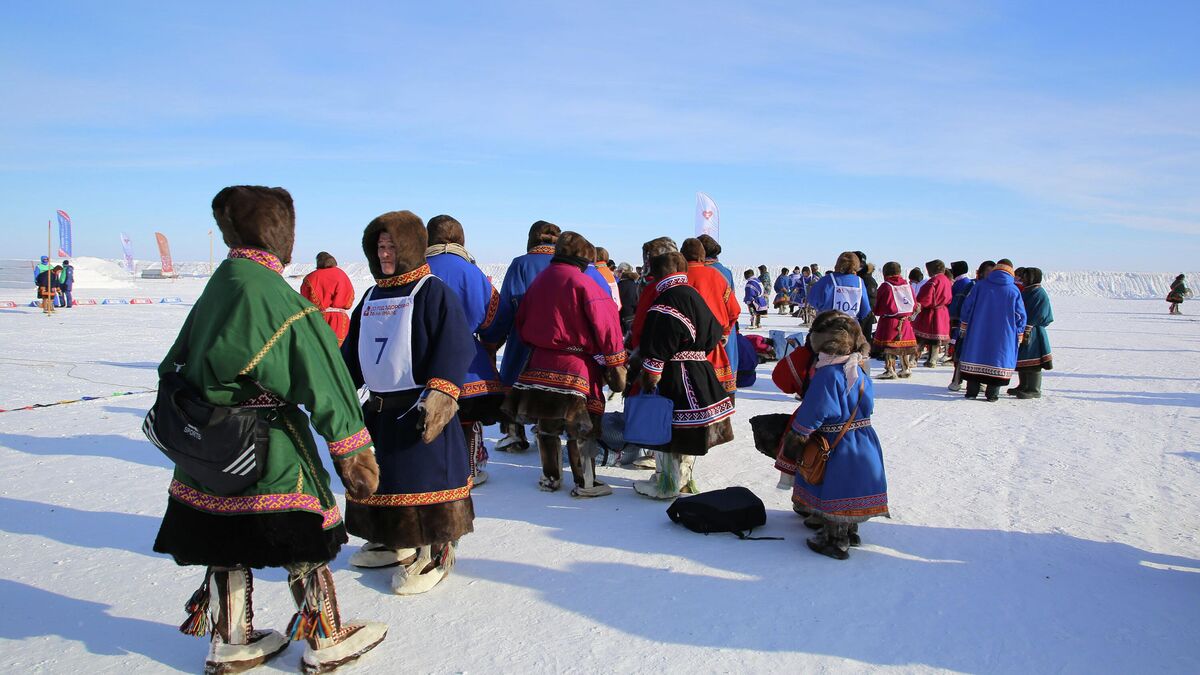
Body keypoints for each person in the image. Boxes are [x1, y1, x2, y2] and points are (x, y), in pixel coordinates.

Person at [152, 186, 386, 674]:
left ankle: (230, 640)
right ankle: (325, 637)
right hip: (264, 442)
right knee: (298, 533)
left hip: (206, 445)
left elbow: (172, 362)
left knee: (223, 538)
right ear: (281, 234)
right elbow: (324, 378)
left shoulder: (221, 284)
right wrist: (353, 452)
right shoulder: (275, 296)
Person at [341, 210, 476, 595]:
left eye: (392, 247)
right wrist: (337, 387)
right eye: (379, 247)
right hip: (379, 409)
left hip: (419, 409)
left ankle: (434, 552)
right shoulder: (370, 297)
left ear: (411, 247)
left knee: (423, 482)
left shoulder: (432, 292)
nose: (385, 254)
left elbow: (455, 344)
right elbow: (352, 352)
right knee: (384, 480)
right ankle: (391, 540)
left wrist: (441, 395)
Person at [503, 232, 627, 497]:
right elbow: (607, 325)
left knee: (547, 425)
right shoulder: (584, 283)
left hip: (539, 363)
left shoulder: (539, 282)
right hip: (576, 366)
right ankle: (586, 482)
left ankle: (550, 477)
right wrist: (615, 363)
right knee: (582, 427)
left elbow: (521, 321)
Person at [778, 311, 888, 560]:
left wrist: (798, 435)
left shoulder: (828, 373)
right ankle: (850, 530)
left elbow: (816, 409)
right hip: (863, 438)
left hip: (836, 442)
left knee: (836, 485)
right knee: (853, 485)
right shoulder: (858, 368)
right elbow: (868, 405)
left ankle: (835, 539)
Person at [633, 252, 735, 499]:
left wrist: (650, 377)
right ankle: (684, 479)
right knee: (689, 432)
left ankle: (666, 484)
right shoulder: (694, 296)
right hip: (699, 370)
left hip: (674, 374)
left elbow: (658, 344)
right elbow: (716, 331)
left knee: (666, 429)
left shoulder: (666, 301)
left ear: (657, 274)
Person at [425, 214, 506, 486]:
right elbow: (493, 318)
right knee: (466, 419)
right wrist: (489, 345)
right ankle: (468, 470)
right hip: (466, 363)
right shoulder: (473, 273)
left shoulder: (414, 268)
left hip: (418, 358)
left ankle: (427, 472)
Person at [479, 221, 561, 453]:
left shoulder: (521, 264)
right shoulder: (566, 264)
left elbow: (507, 305)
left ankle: (514, 434)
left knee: (513, 381)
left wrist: (493, 339)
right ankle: (546, 431)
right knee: (551, 384)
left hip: (524, 337)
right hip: (559, 340)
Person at [958, 259, 1027, 402]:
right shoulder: (1013, 290)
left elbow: (967, 306)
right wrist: (1019, 332)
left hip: (978, 330)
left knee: (975, 355)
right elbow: (1020, 315)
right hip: (1004, 334)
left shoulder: (980, 286)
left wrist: (964, 325)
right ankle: (992, 394)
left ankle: (971, 392)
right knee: (999, 359)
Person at [682, 238, 742, 396]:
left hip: (688, 342)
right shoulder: (721, 273)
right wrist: (726, 332)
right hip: (719, 336)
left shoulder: (679, 276)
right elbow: (734, 309)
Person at [697, 234, 740, 384]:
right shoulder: (726, 271)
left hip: (711, 327)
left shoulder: (702, 272)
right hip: (728, 324)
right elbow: (732, 303)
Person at [947, 260, 994, 392]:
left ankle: (981, 382)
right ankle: (957, 379)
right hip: (969, 325)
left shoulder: (995, 289)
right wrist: (958, 322)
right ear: (981, 272)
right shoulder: (972, 285)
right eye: (988, 272)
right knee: (963, 353)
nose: (990, 275)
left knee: (983, 355)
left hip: (986, 328)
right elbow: (961, 304)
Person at [1012, 267, 1053, 399]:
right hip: (1025, 330)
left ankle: (1034, 389)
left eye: (1025, 276)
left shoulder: (1039, 293)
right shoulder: (1027, 291)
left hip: (1034, 331)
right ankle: (1023, 385)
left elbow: (1041, 313)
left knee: (1034, 361)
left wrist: (1029, 325)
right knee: (1023, 359)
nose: (1022, 279)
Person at [872, 262, 919, 379]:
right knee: (904, 346)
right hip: (906, 320)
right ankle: (905, 368)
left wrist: (876, 311)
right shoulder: (907, 285)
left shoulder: (886, 286)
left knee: (889, 347)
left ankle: (890, 370)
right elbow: (914, 303)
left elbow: (878, 304)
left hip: (890, 321)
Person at [300, 252, 355, 346]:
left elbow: (304, 299)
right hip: (340, 320)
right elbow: (349, 295)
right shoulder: (342, 274)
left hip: (318, 319)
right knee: (342, 350)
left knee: (319, 349)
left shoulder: (311, 277)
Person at [808, 251, 872, 322]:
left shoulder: (827, 280)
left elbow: (812, 299)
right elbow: (865, 309)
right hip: (851, 325)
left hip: (828, 324)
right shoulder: (859, 282)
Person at [913, 259, 952, 367]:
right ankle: (933, 360)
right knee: (936, 339)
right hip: (942, 312)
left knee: (920, 337)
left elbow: (925, 297)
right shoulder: (947, 280)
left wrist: (918, 304)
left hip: (930, 313)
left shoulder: (933, 281)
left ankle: (913, 359)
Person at [616, 262, 641, 336]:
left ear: (622, 271)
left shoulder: (619, 286)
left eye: (618, 271)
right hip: (634, 317)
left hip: (622, 319)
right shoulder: (636, 285)